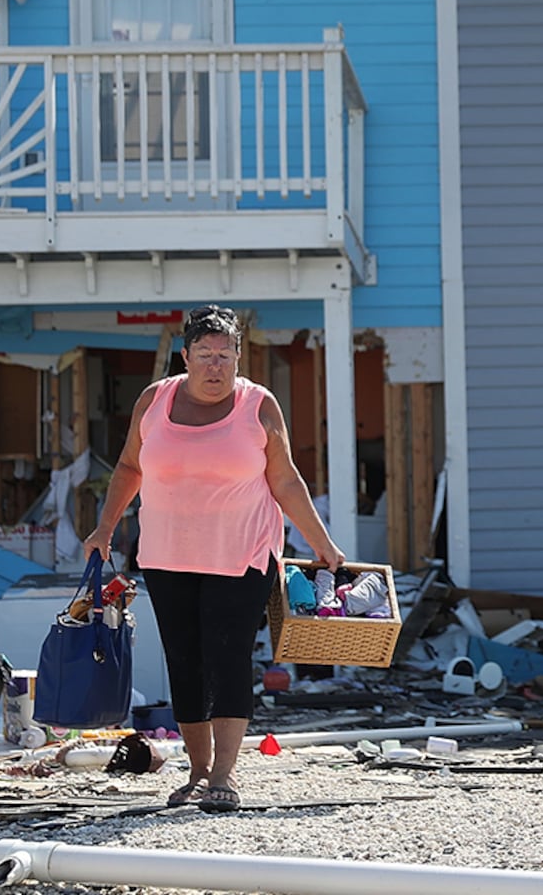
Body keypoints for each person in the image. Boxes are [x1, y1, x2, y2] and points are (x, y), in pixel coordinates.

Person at [82, 304, 345, 813]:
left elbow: (286, 480)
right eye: (205, 354)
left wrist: (323, 546)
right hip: (167, 552)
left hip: (241, 553)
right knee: (185, 661)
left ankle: (224, 773)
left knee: (226, 657)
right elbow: (130, 466)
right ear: (186, 356)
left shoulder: (259, 406)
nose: (215, 365)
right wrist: (104, 527)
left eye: (225, 355)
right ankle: (197, 772)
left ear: (239, 358)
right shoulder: (154, 400)